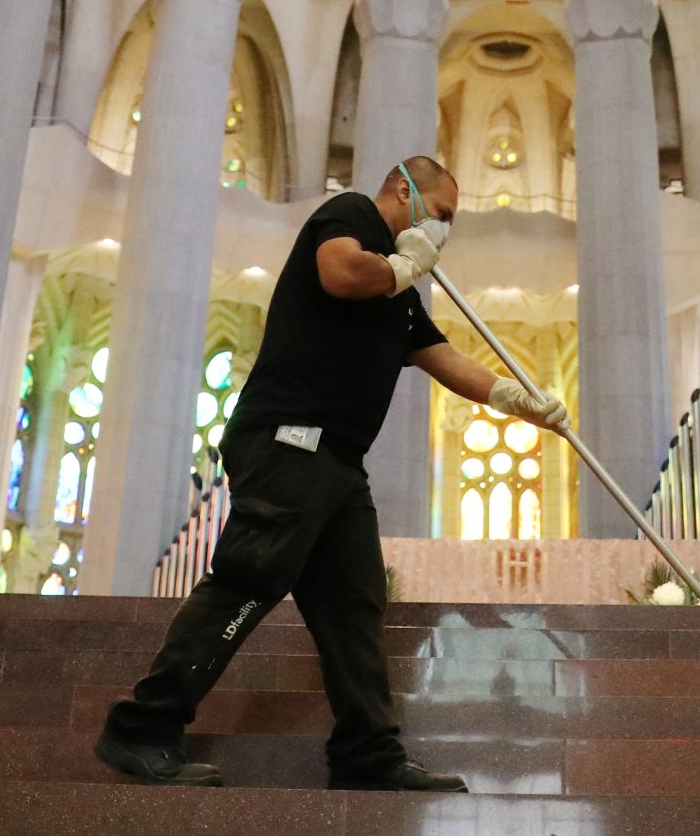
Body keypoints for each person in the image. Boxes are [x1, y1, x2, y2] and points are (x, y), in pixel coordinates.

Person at [93, 155, 569, 792]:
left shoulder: (400, 293)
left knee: (353, 605)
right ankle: (143, 728)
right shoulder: (350, 216)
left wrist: (517, 399)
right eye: (444, 215)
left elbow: (444, 358)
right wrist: (404, 264)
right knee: (248, 582)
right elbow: (341, 273)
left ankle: (367, 754)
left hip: (339, 465)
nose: (446, 232)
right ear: (405, 191)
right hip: (289, 443)